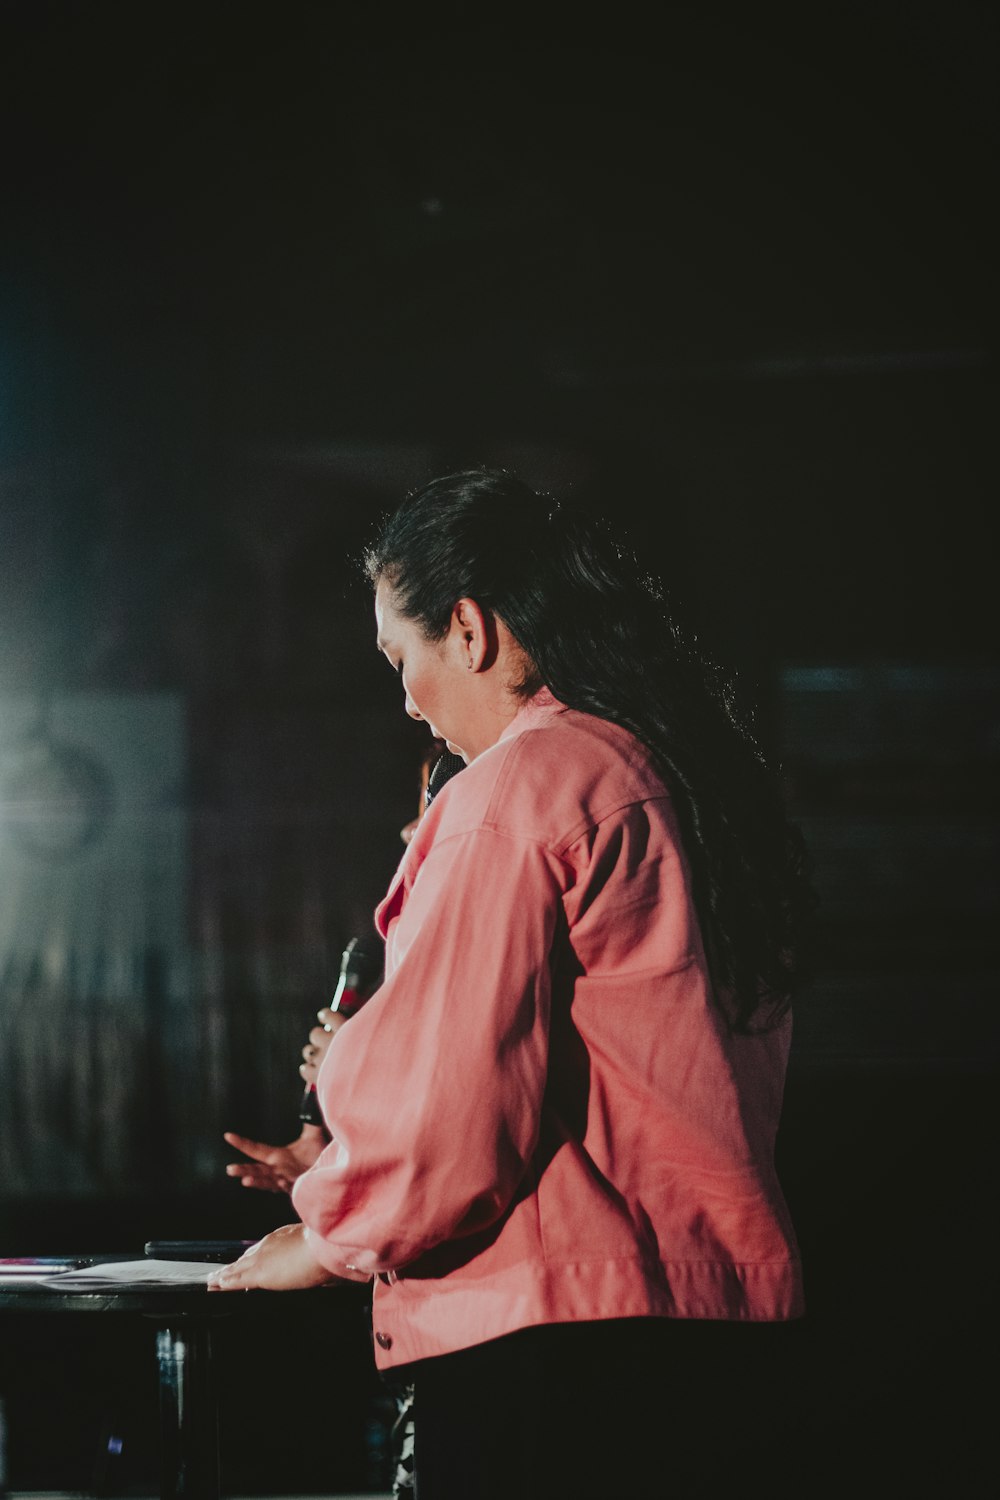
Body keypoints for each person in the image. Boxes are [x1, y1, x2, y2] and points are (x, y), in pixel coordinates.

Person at [209, 467, 816, 1498]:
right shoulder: (667, 771)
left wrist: (329, 1233)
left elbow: (455, 1112)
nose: (404, 700)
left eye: (401, 657)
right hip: (701, 1337)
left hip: (548, 1348)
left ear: (470, 628)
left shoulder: (519, 790)